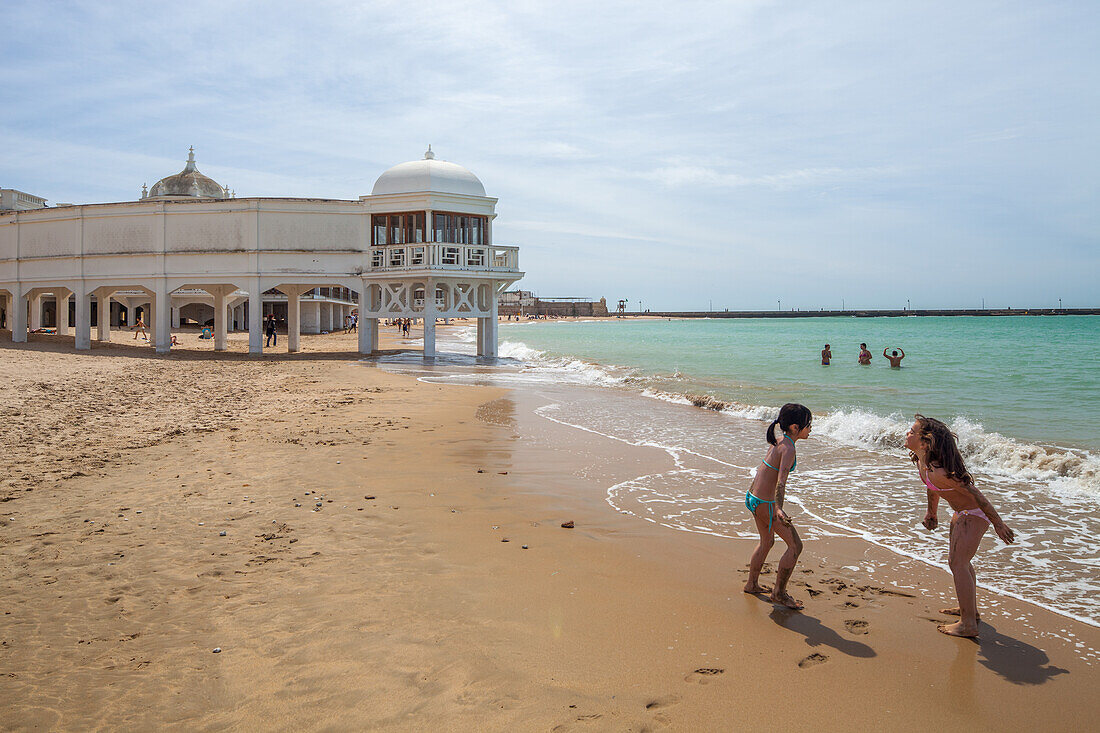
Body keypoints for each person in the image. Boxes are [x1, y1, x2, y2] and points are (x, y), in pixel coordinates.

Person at [906, 415, 1015, 638]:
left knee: (958, 563)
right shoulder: (922, 462)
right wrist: (931, 512)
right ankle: (969, 611)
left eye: (912, 431)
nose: (907, 434)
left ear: (926, 442)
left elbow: (975, 493)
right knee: (959, 563)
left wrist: (998, 523)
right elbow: (931, 487)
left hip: (975, 514)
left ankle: (968, 625)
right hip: (961, 513)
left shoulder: (942, 471)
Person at [744, 403, 812, 610]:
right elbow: (781, 481)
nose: (810, 429)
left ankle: (752, 584)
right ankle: (779, 594)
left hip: (753, 497)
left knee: (767, 541)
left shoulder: (780, 440)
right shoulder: (789, 448)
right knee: (795, 546)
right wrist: (779, 509)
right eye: (808, 425)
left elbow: (765, 471)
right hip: (766, 503)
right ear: (794, 427)